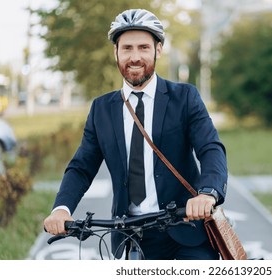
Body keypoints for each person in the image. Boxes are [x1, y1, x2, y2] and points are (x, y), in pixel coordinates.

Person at [43, 8, 228, 260]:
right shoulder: (101, 109)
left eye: (143, 47)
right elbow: (81, 167)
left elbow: (210, 148)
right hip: (135, 234)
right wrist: (61, 209)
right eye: (127, 48)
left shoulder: (184, 98)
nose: (135, 57)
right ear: (116, 52)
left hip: (188, 228)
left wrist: (207, 193)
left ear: (158, 50)